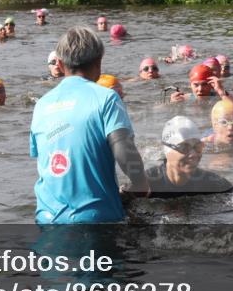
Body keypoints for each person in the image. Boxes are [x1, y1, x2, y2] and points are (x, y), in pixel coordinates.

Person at [29, 26, 150, 223]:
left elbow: (46, 163)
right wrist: (141, 185)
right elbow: (123, 150)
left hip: (47, 218)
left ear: (59, 64)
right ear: (99, 61)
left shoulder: (41, 105)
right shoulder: (106, 98)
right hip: (95, 218)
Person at [146, 116, 233, 198]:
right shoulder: (147, 182)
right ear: (167, 151)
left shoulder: (213, 183)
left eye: (197, 147)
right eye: (184, 147)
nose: (194, 154)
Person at [169, 63, 233, 103]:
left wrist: (221, 90)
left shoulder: (219, 97)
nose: (200, 89)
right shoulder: (185, 98)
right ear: (190, 85)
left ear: (211, 84)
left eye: (204, 84)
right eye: (196, 85)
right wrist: (172, 103)